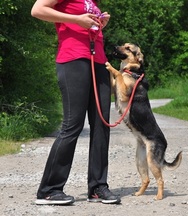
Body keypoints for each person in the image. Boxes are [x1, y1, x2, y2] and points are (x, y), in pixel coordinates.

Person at [31, 0, 121, 205]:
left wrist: (99, 23)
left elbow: (86, 23)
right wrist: (76, 20)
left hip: (98, 61)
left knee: (101, 124)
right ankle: (49, 190)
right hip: (73, 59)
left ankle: (98, 187)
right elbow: (37, 10)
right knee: (73, 124)